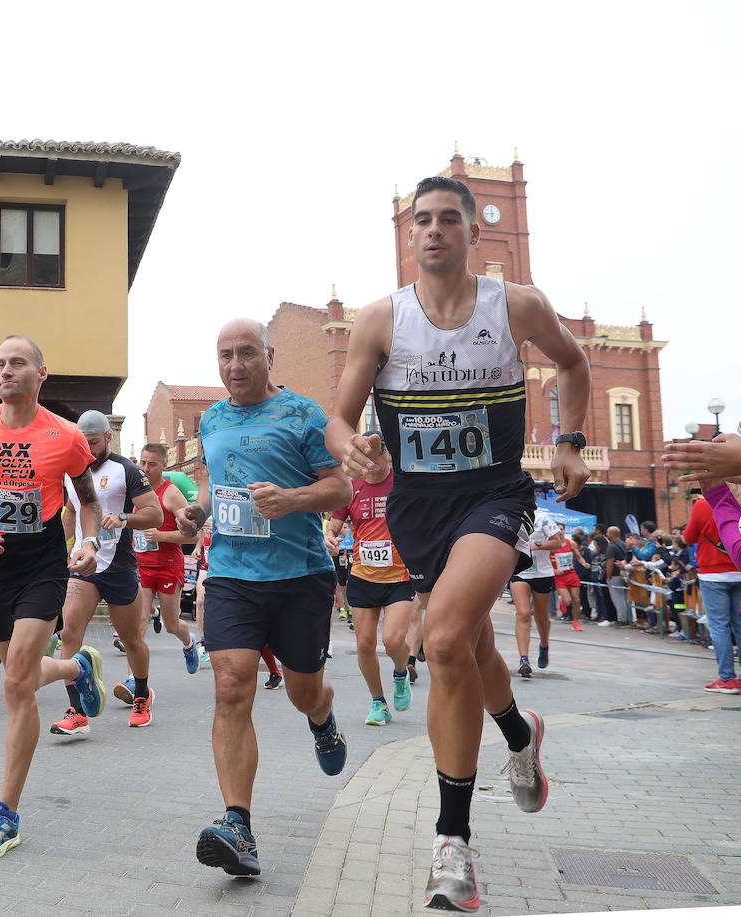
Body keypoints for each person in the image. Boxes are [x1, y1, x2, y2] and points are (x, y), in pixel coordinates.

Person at [326, 175, 590, 911]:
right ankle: (517, 730)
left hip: (495, 497)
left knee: (440, 640)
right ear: (409, 235)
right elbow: (338, 422)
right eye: (423, 221)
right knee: (471, 648)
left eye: (449, 218)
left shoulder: (517, 306)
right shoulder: (382, 321)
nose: (435, 229)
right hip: (417, 508)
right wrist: (356, 450)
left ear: (473, 231)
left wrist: (568, 440)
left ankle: (453, 845)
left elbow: (573, 362)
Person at [179, 318, 351, 878]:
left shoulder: (303, 414)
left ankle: (322, 715)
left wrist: (293, 498)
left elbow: (340, 488)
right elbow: (209, 482)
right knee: (230, 687)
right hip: (231, 574)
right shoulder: (210, 418)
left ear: (269, 356)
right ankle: (238, 826)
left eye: (246, 353)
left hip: (300, 575)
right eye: (225, 354)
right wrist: (197, 511)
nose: (235, 365)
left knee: (303, 691)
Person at [0, 333, 107, 859]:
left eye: (18, 363)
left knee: (15, 682)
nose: (6, 371)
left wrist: (88, 541)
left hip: (42, 560)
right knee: (21, 675)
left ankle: (7, 815)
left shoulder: (64, 436)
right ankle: (78, 669)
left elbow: (87, 502)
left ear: (41, 374)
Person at [50, 409, 161, 734]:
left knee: (131, 640)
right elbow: (71, 510)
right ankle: (76, 710)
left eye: (94, 442)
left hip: (118, 567)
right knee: (68, 633)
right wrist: (63, 546)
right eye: (82, 442)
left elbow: (154, 513)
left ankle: (142, 694)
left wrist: (125, 518)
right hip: (83, 565)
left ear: (108, 438)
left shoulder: (126, 470)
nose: (88, 448)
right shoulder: (72, 470)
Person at [329, 457, 416, 726]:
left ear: (388, 457)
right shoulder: (351, 487)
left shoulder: (403, 482)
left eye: (377, 457)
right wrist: (330, 538)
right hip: (363, 575)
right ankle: (379, 702)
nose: (371, 464)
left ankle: (401, 672)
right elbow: (334, 525)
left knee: (392, 640)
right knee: (364, 644)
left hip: (400, 576)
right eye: (365, 459)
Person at [132, 443, 201, 677]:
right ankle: (135, 681)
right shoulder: (135, 490)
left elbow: (194, 532)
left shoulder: (170, 492)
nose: (145, 468)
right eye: (142, 463)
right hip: (141, 565)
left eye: (151, 464)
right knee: (138, 622)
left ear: (163, 465)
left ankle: (189, 643)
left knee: (172, 624)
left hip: (168, 566)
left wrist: (161, 535)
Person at [681, 493, 741, 693]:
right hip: (738, 569)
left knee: (719, 627)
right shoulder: (738, 500)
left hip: (713, 574)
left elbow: (689, 537)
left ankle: (727, 679)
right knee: (739, 626)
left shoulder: (702, 505)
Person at [510, 507, 564, 677]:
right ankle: (524, 660)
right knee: (523, 614)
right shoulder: (510, 515)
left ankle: (544, 645)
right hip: (520, 573)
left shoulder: (543, 518)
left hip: (542, 573)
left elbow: (558, 542)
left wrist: (537, 545)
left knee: (541, 617)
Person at [553, 530, 585, 631]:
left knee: (576, 599)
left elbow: (578, 557)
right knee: (567, 601)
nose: (560, 532)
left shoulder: (571, 543)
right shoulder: (552, 545)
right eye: (558, 530)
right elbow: (545, 561)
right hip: (560, 576)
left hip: (571, 574)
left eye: (562, 529)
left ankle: (575, 622)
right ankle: (562, 600)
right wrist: (554, 570)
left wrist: (584, 563)